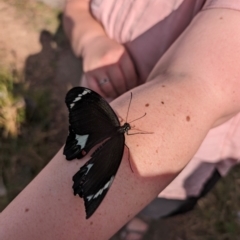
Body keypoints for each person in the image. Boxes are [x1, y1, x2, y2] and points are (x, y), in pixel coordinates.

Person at [0, 0, 240, 240]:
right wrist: (90, 40)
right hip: (98, 125)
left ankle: (138, 218)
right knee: (103, 166)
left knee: (156, 204)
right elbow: (76, 7)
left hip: (188, 164)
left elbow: (192, 88)